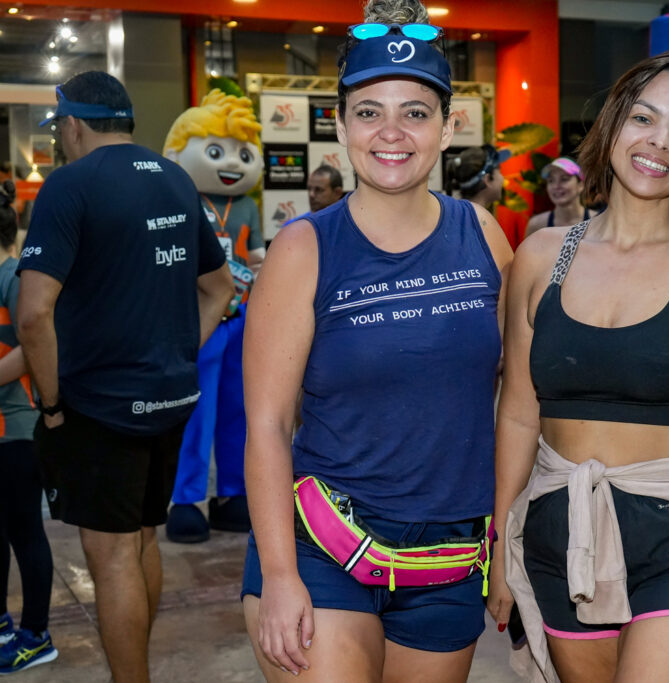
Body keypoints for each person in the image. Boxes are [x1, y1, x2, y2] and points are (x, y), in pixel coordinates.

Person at [488, 48, 669, 683]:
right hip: (561, 532)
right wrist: (498, 548)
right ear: (615, 122)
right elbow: (516, 412)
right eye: (645, 119)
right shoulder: (539, 257)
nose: (659, 143)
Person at [239, 1, 513, 680]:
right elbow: (268, 425)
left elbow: (516, 402)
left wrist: (506, 545)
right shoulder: (304, 249)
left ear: (447, 127)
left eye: (414, 112)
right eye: (369, 111)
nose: (391, 132)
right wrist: (278, 573)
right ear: (340, 124)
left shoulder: (484, 236)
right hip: (323, 550)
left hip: (448, 559)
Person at [16, 71, 234, 683]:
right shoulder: (173, 178)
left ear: (74, 124)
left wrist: (53, 404)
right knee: (141, 541)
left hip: (98, 407)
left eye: (60, 128)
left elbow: (33, 313)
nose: (60, 139)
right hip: (170, 398)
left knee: (109, 555)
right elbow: (218, 289)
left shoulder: (69, 186)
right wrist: (173, 353)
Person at [162, 90, 265, 543]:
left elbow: (259, 257)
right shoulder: (179, 201)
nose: (233, 164)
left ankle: (231, 494)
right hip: (196, 320)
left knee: (238, 410)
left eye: (243, 154)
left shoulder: (245, 207)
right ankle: (187, 500)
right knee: (195, 415)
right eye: (217, 151)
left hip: (242, 321)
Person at [0, 180, 57, 675]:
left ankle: (36, 634)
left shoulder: (15, 277)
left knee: (26, 533)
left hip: (16, 432)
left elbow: (35, 343)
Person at [524, 157, 592, 238]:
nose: (556, 186)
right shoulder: (536, 225)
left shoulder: (598, 221)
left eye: (564, 179)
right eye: (551, 181)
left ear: (581, 185)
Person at [445, 144, 509, 209]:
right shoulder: (478, 218)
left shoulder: (459, 213)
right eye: (499, 172)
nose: (502, 178)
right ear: (488, 179)